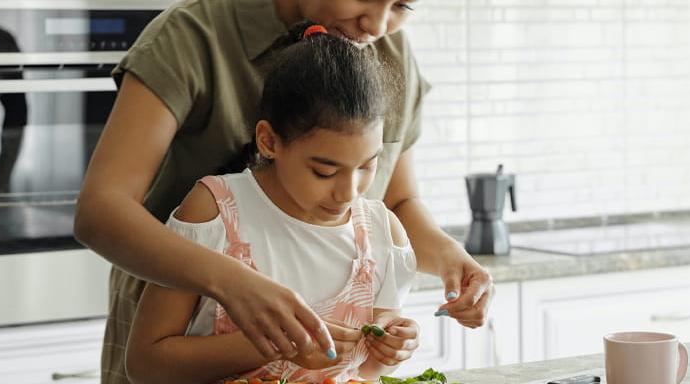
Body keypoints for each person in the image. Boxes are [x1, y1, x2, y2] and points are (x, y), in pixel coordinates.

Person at [73, 0, 495, 382]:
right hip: (177, 321)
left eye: (402, 5)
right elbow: (101, 211)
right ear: (268, 141)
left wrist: (451, 261)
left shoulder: (389, 52)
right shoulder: (194, 36)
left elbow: (397, 202)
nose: (378, 23)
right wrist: (234, 283)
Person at [125, 24, 418, 383]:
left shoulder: (381, 233)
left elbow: (369, 371)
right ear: (268, 141)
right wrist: (276, 344)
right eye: (325, 171)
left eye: (366, 166)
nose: (349, 192)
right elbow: (145, 364)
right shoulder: (215, 212)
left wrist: (392, 350)